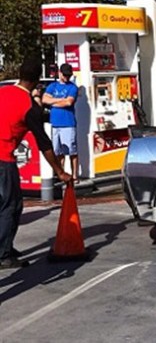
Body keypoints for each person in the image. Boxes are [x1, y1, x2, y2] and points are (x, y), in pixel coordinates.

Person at [0, 57, 72, 269]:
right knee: (10, 206)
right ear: (36, 81)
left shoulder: (2, 92)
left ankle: (6, 246)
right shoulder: (29, 106)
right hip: (4, 159)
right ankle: (3, 255)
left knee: (10, 205)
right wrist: (60, 172)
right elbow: (44, 143)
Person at [43, 63, 79, 182]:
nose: (67, 78)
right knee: (58, 151)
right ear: (60, 73)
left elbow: (69, 102)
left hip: (68, 123)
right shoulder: (52, 86)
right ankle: (61, 173)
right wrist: (60, 100)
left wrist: (53, 102)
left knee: (72, 151)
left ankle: (75, 175)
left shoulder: (73, 87)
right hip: (55, 123)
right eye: (65, 75)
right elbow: (45, 99)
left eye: (69, 75)